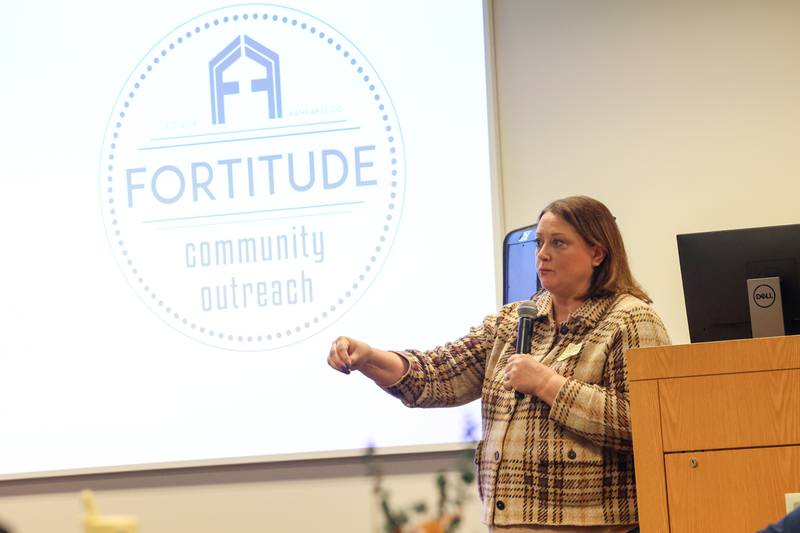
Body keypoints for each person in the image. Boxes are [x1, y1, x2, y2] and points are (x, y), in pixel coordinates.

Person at [328, 196, 670, 532]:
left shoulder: (631, 319)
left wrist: (548, 385)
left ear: (597, 253)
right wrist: (369, 358)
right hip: (507, 522)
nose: (543, 254)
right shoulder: (514, 321)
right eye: (540, 242)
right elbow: (437, 375)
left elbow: (644, 423)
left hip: (593, 525)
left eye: (559, 243)